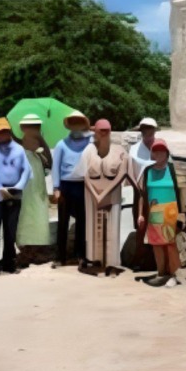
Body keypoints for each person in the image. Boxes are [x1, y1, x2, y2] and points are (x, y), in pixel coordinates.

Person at [0, 117, 32, 276]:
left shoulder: (18, 148)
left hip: (14, 192)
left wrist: (19, 186)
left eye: (4, 131)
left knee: (11, 229)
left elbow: (27, 170)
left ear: (9, 132)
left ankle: (9, 261)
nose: (1, 134)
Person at [81, 119, 132, 272]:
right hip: (92, 193)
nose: (103, 133)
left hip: (112, 192)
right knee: (93, 226)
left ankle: (111, 262)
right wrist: (96, 194)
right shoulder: (88, 150)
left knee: (112, 225)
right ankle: (95, 260)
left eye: (106, 130)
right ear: (95, 131)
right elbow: (84, 174)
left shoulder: (120, 150)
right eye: (100, 130)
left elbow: (122, 173)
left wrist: (105, 192)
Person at [137, 139, 182, 288]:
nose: (159, 153)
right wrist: (140, 214)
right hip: (154, 211)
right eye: (155, 150)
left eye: (162, 150)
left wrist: (183, 213)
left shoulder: (173, 169)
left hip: (171, 212)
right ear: (152, 153)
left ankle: (175, 274)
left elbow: (182, 192)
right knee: (157, 244)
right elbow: (142, 194)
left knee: (170, 244)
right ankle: (161, 273)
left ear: (167, 153)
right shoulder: (147, 171)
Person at [52, 111, 91, 267]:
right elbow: (56, 166)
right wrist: (56, 187)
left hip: (83, 185)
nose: (76, 126)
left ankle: (80, 255)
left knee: (83, 221)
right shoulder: (62, 144)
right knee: (63, 222)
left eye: (79, 122)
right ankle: (60, 256)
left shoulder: (90, 143)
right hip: (66, 184)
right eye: (73, 122)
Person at [16, 114, 52, 250]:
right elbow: (49, 164)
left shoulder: (36, 140)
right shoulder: (22, 142)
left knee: (33, 206)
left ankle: (34, 242)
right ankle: (27, 242)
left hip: (35, 177)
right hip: (28, 177)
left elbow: (48, 162)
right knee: (28, 206)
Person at [128, 118, 158, 271]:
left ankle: (155, 260)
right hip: (139, 191)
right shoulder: (134, 149)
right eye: (144, 128)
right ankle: (139, 260)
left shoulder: (160, 147)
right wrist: (137, 186)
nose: (147, 131)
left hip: (157, 192)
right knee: (140, 226)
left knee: (157, 225)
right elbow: (130, 169)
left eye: (150, 128)